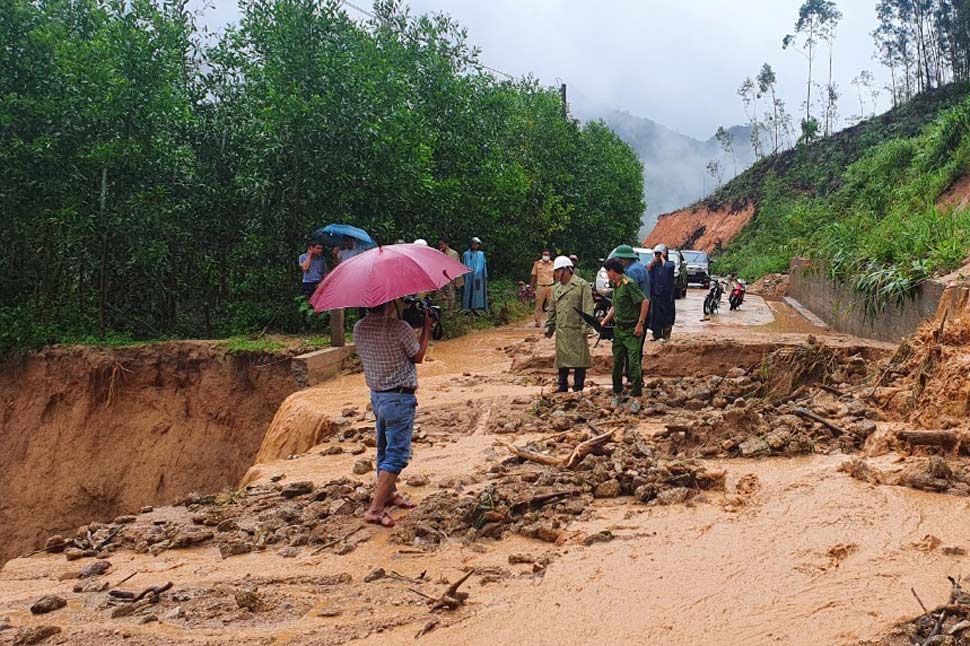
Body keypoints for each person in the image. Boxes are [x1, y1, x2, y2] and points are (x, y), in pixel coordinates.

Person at [353, 300, 432, 528]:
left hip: (377, 396)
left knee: (383, 449)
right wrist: (426, 327)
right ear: (390, 303)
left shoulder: (359, 327)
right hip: (399, 398)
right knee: (397, 455)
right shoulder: (400, 328)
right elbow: (418, 356)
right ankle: (375, 509)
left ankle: (389, 494)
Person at [600, 258, 648, 412]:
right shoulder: (616, 285)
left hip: (631, 331)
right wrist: (604, 321)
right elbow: (615, 305)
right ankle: (618, 392)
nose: (607, 275)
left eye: (607, 271)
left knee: (633, 364)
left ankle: (637, 396)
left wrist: (640, 323)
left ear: (612, 271)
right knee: (617, 364)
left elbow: (645, 302)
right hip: (619, 331)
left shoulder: (629, 284)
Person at [544, 256, 593, 392]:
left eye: (559, 271)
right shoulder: (556, 289)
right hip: (562, 329)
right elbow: (552, 309)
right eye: (556, 272)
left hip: (576, 328)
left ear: (567, 270)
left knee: (579, 360)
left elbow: (587, 307)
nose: (557, 275)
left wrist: (586, 327)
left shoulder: (582, 285)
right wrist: (550, 326)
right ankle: (562, 385)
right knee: (562, 359)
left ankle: (578, 387)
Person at [646, 243, 676, 341]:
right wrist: (653, 262)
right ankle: (656, 335)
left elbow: (668, 268)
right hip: (655, 295)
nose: (658, 256)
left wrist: (663, 258)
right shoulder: (653, 265)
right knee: (655, 316)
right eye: (656, 254)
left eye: (660, 254)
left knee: (667, 315)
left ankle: (666, 336)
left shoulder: (669, 264)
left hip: (667, 296)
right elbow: (646, 270)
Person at [462, 237, 488, 312]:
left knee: (478, 290)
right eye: (474, 244)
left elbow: (483, 265)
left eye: (477, 244)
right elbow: (465, 265)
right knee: (468, 290)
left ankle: (478, 307)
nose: (475, 246)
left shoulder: (481, 254)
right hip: (469, 276)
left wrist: (484, 275)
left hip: (478, 277)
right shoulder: (466, 254)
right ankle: (467, 308)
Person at [530, 250, 555, 328]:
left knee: (552, 305)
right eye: (544, 254)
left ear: (549, 256)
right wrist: (531, 287)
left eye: (547, 255)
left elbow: (557, 276)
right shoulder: (537, 264)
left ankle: (551, 321)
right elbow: (534, 276)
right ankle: (538, 322)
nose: (546, 256)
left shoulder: (553, 264)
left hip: (550, 286)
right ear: (542, 255)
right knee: (538, 305)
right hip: (540, 286)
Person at [437, 238, 464, 308]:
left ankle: (450, 312)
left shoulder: (453, 253)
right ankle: (443, 311)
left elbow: (457, 265)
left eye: (442, 244)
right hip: (440, 277)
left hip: (450, 277)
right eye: (439, 244)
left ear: (446, 244)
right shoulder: (437, 253)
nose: (440, 246)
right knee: (441, 295)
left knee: (451, 295)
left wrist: (457, 278)